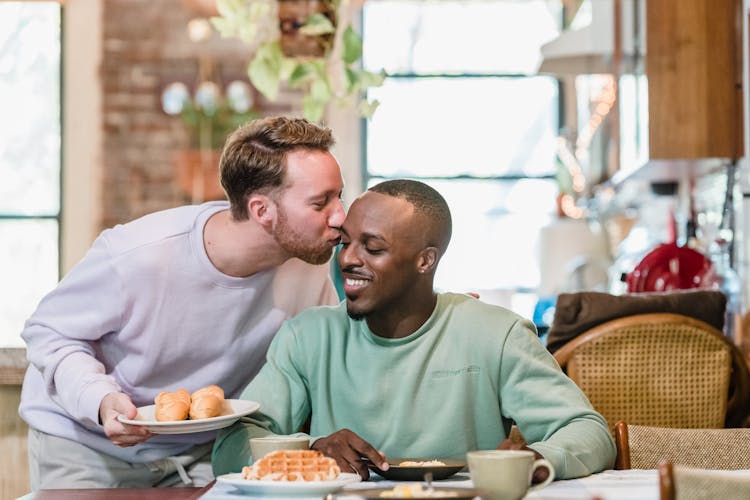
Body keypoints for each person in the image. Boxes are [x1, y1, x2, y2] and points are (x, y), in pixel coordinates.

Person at [211, 179, 616, 481]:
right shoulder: (308, 337)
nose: (347, 259)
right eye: (346, 242)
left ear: (426, 261)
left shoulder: (496, 334)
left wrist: (537, 461)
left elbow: (589, 433)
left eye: (373, 248)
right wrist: (309, 450)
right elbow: (232, 447)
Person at [19, 116, 346, 489]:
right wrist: (101, 401)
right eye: (321, 202)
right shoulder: (139, 255)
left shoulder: (312, 264)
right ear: (261, 211)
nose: (340, 216)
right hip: (88, 446)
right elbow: (49, 332)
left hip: (202, 454)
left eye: (339, 196)